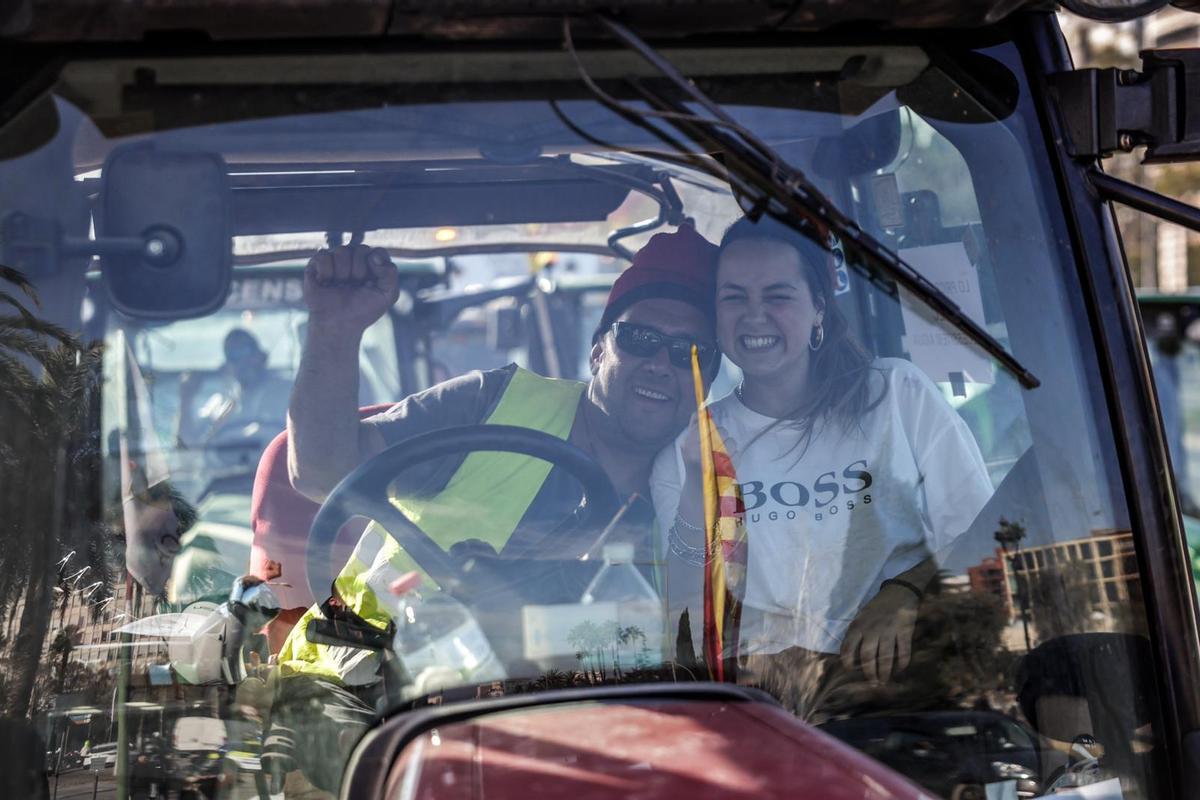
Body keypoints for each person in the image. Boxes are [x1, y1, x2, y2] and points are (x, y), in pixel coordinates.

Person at [266, 228, 720, 795]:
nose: (661, 363)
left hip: (560, 723)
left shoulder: (707, 496)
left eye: (689, 353)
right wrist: (335, 329)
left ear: (708, 378)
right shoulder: (493, 402)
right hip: (361, 691)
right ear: (600, 346)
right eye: (640, 338)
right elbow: (320, 471)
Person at [650, 215, 994, 713]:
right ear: (716, 317)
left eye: (777, 295)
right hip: (773, 709)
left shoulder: (896, 395)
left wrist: (904, 590)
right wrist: (692, 489)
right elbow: (686, 616)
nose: (754, 315)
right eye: (734, 297)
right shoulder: (687, 451)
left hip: (913, 690)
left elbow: (980, 537)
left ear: (818, 309)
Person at [177, 328, 291, 450]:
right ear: (227, 365)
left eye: (245, 351)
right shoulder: (219, 403)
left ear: (261, 356)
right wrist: (186, 399)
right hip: (224, 469)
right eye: (233, 355)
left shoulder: (289, 393)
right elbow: (187, 445)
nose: (242, 362)